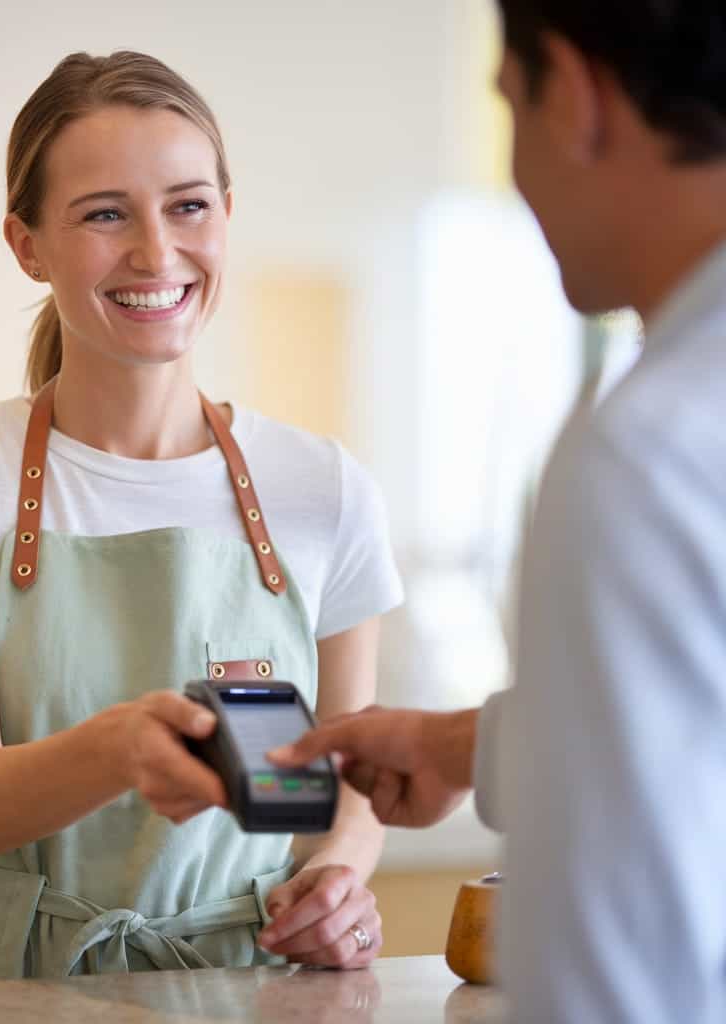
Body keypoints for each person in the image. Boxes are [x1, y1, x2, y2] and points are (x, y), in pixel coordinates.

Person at [0, 51, 401, 981]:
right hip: (17, 986)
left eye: (188, 205)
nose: (156, 253)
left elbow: (347, 785)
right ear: (27, 245)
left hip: (256, 983)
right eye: (105, 214)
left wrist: (339, 881)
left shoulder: (325, 488)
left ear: (226, 213)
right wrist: (121, 746)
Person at [268, 2, 726, 1020]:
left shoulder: (645, 455)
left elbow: (614, 976)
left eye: (507, 107)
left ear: (569, 93)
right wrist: (458, 747)